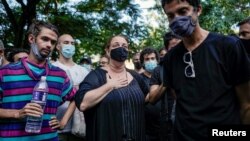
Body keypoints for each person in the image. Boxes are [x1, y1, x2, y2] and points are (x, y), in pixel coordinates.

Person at [161, 0, 250, 140]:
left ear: (198, 10)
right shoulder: (170, 59)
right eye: (171, 16)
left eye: (183, 11)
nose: (177, 19)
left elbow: (246, 104)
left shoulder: (228, 47)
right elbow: (180, 99)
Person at [0, 20, 76, 141]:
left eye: (52, 42)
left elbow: (75, 97)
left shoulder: (60, 75)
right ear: (31, 39)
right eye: (45, 39)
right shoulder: (5, 73)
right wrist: (17, 113)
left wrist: (63, 122)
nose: (49, 45)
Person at [75, 34, 149, 141]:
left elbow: (147, 97)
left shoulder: (135, 76)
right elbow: (83, 104)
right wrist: (109, 86)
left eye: (124, 46)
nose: (121, 48)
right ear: (107, 50)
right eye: (116, 45)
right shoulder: (96, 76)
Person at [53, 34, 89, 141]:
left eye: (72, 43)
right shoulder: (52, 68)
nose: (70, 45)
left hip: (79, 128)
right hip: (56, 127)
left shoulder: (84, 71)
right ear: (58, 46)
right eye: (66, 42)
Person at [138, 47, 161, 141]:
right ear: (143, 62)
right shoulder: (138, 79)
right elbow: (139, 100)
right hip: (147, 129)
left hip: (164, 126)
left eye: (152, 58)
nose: (150, 61)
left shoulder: (163, 76)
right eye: (147, 59)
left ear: (157, 60)